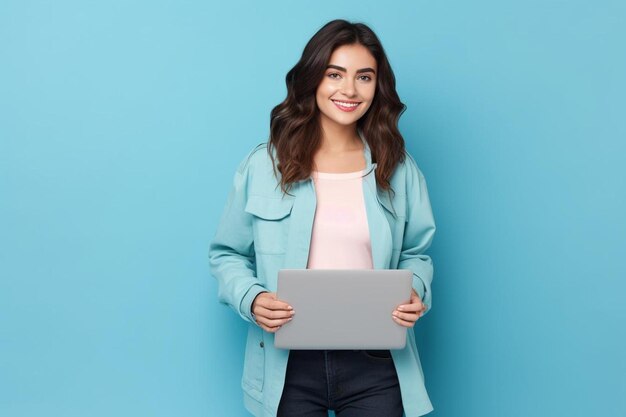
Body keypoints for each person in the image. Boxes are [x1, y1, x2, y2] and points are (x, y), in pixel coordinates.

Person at [209, 19, 436, 417]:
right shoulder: (264, 165)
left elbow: (417, 253)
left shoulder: (399, 170)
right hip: (288, 366)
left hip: (376, 365)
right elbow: (226, 254)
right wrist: (253, 298)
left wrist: (415, 290)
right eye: (335, 74)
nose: (349, 90)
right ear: (313, 79)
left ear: (377, 87)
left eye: (364, 77)